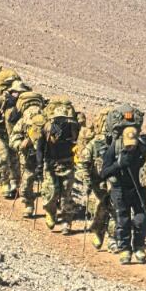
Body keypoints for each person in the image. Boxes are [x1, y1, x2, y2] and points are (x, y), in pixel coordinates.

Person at [100, 123, 146, 264]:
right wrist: (118, 165)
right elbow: (103, 173)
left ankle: (139, 247)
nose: (131, 147)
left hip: (139, 189)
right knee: (122, 219)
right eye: (128, 145)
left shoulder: (144, 148)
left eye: (133, 145)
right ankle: (125, 249)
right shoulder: (114, 148)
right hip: (120, 189)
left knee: (141, 219)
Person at [39, 102, 82, 232]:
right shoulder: (47, 128)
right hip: (51, 164)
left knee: (66, 195)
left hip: (68, 163)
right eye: (59, 119)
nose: (61, 121)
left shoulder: (74, 128)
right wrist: (39, 164)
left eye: (63, 118)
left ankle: (66, 221)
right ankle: (51, 213)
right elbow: (40, 147)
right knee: (51, 192)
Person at [77, 115, 114, 250]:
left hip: (115, 183)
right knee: (99, 209)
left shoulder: (122, 142)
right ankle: (99, 233)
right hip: (98, 183)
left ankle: (113, 239)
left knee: (115, 210)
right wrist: (87, 181)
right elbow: (84, 162)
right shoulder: (96, 143)